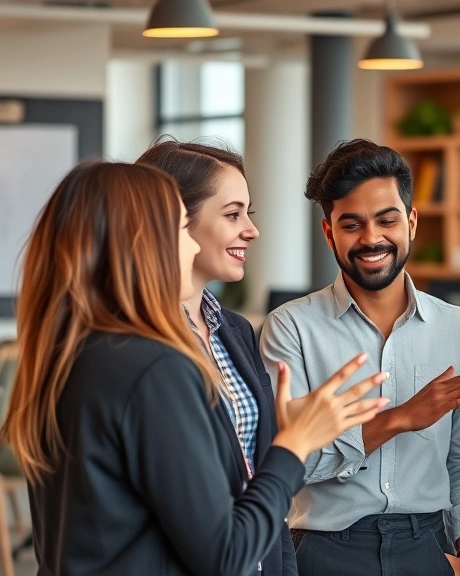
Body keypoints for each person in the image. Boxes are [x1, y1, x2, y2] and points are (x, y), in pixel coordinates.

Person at [1, 161, 389, 575]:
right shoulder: (154, 367)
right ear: (143, 243)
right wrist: (292, 447)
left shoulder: (72, 354)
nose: (189, 248)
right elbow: (225, 555)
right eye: (178, 228)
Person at [259, 139, 460, 576]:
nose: (371, 239)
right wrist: (399, 418)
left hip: (429, 546)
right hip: (323, 551)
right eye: (352, 225)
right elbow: (286, 463)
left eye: (387, 220)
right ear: (329, 232)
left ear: (411, 223)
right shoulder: (290, 328)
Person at [137, 140, 296, 576]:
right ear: (177, 221)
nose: (251, 230)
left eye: (249, 214)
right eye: (232, 214)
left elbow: (259, 473)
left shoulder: (236, 330)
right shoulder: (140, 348)